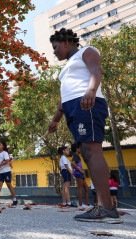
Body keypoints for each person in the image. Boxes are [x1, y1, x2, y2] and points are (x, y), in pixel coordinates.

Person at [48, 28, 121, 223]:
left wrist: (91, 89)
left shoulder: (87, 51)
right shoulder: (65, 68)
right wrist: (55, 119)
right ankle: (104, 206)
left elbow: (96, 71)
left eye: (55, 47)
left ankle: (106, 208)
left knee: (91, 149)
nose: (54, 52)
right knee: (85, 151)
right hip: (72, 108)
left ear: (65, 42)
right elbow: (63, 98)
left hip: (87, 102)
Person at [0, 141, 18, 206]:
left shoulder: (5, 153)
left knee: (9, 185)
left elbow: (7, 161)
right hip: (0, 172)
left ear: (3, 146)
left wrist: (0, 165)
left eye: (0, 145)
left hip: (6, 171)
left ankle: (15, 199)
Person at [71, 143, 89, 209]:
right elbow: (72, 163)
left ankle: (87, 204)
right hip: (78, 174)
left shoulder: (77, 156)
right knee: (80, 189)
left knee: (86, 188)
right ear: (77, 149)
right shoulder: (75, 155)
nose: (80, 149)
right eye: (79, 148)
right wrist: (80, 170)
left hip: (81, 174)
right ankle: (80, 205)